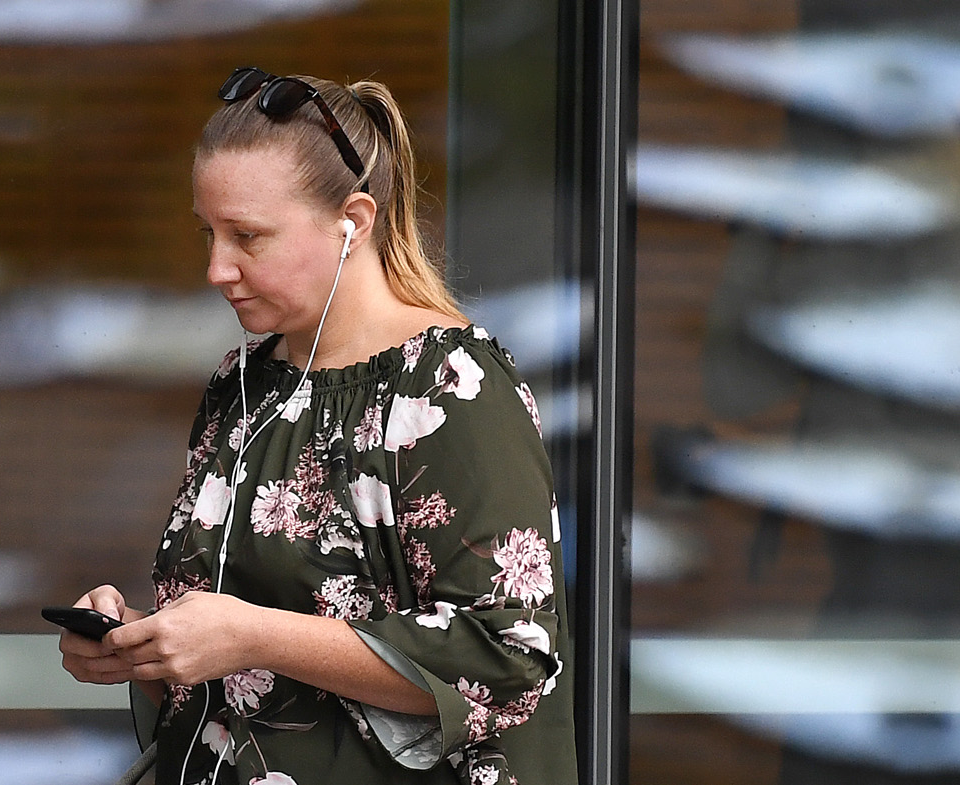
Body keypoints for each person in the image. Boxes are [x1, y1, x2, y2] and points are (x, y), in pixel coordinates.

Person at [59, 66, 576, 785]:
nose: (216, 268)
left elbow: (511, 655)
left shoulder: (451, 384)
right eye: (209, 232)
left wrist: (251, 635)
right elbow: (246, 698)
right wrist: (145, 649)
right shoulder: (244, 382)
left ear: (352, 223)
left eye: (248, 236)